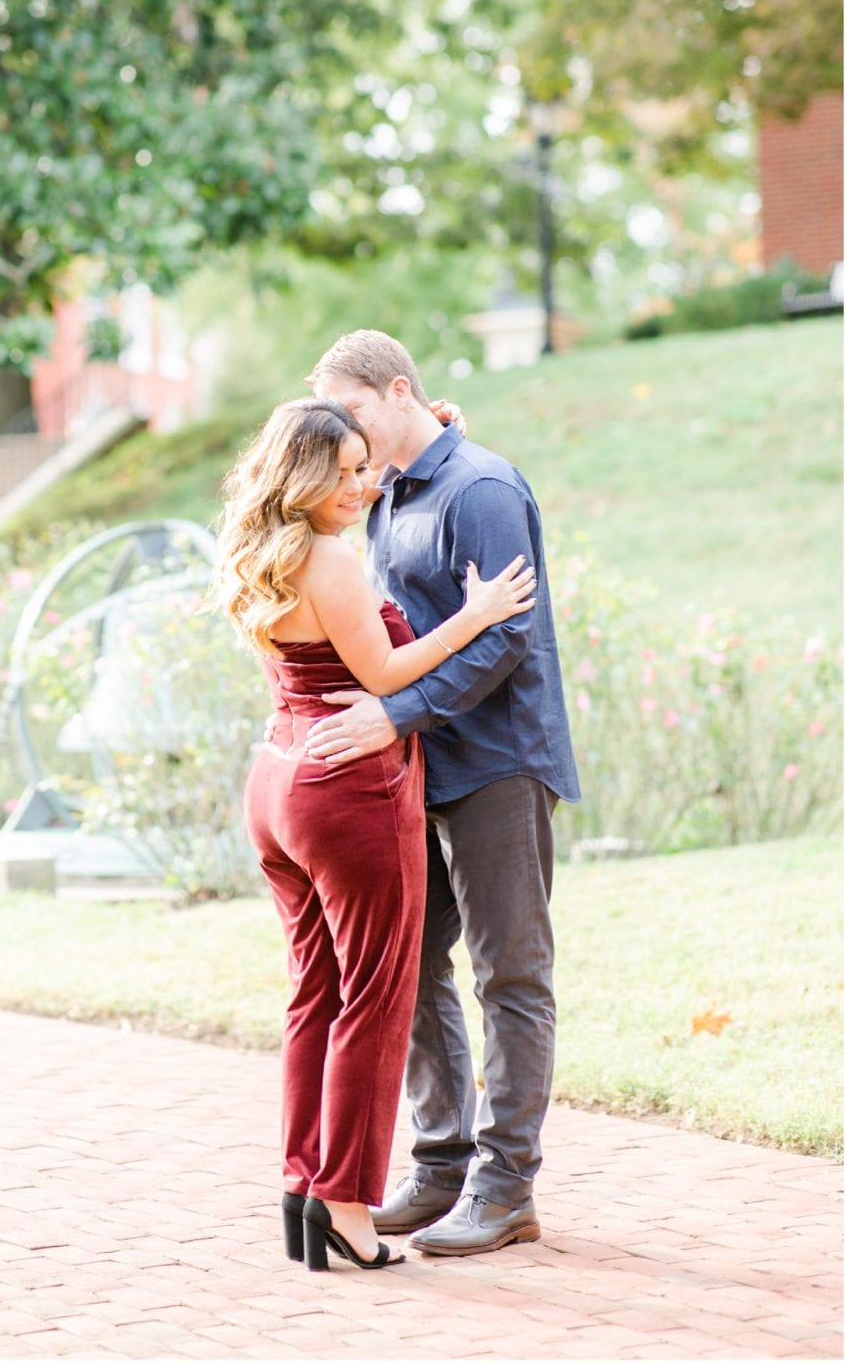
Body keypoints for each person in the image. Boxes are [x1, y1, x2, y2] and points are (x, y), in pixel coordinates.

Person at [213, 398, 537, 1273]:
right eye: (348, 472)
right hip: (349, 791)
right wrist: (476, 615)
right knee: (374, 999)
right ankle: (347, 1207)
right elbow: (387, 674)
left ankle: (303, 1187)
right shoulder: (329, 561)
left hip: (279, 778)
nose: (364, 485)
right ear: (307, 476)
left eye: (369, 467)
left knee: (314, 994)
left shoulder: (262, 552)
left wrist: (425, 425)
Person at [307, 330, 580, 1258]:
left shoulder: (483, 489)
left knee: (511, 973)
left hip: (497, 762)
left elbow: (506, 641)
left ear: (397, 390)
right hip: (418, 766)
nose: (339, 435)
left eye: (348, 414)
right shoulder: (386, 494)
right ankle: (441, 1164)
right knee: (411, 966)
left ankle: (507, 1188)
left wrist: (397, 712)